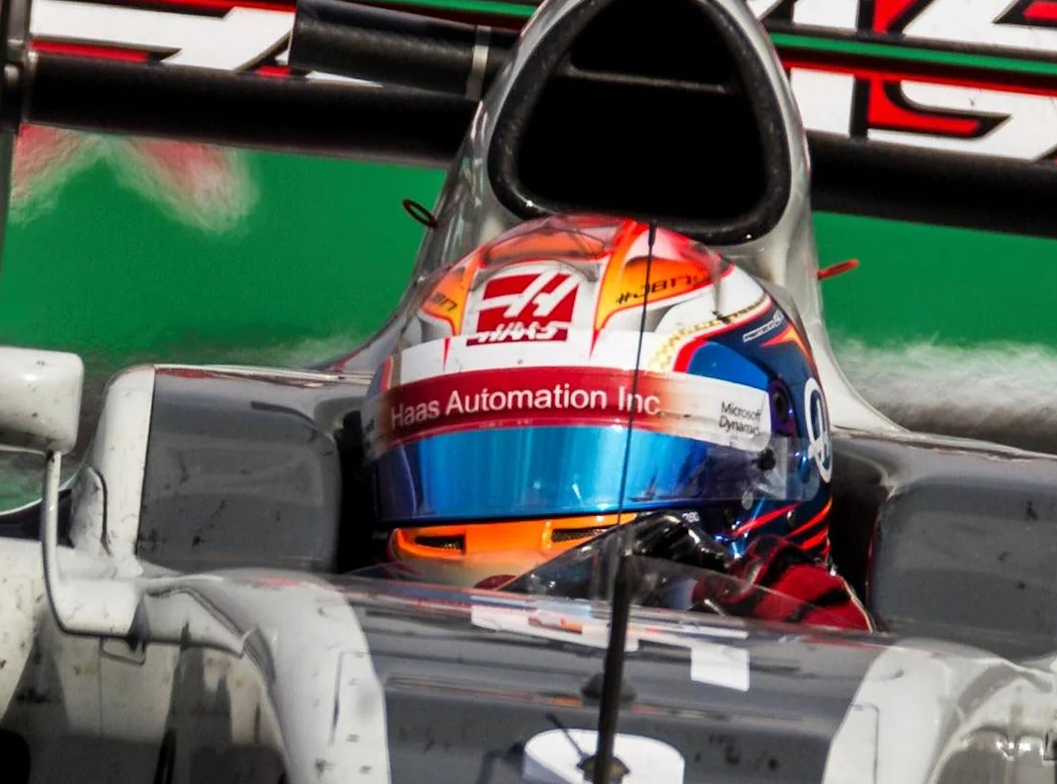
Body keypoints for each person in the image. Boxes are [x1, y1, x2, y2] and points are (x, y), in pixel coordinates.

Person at [366, 213, 866, 629]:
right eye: (467, 465)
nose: (517, 521)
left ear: (771, 462)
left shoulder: (822, 643)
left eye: (581, 460)